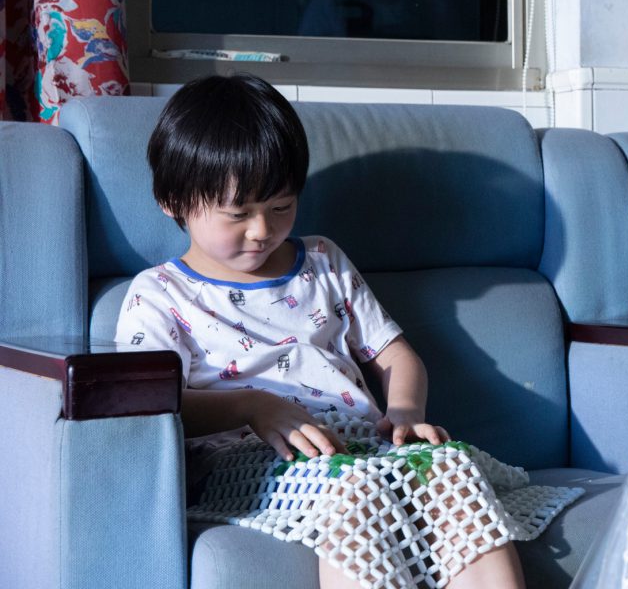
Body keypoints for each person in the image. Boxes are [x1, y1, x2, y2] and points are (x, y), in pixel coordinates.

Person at [118, 74, 577, 589]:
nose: (263, 231)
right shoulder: (159, 294)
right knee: (357, 490)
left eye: (281, 207)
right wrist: (251, 406)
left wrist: (404, 414)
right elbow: (149, 406)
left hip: (358, 445)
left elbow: (396, 356)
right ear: (173, 199)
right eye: (238, 214)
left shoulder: (323, 262)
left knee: (448, 471)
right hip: (244, 463)